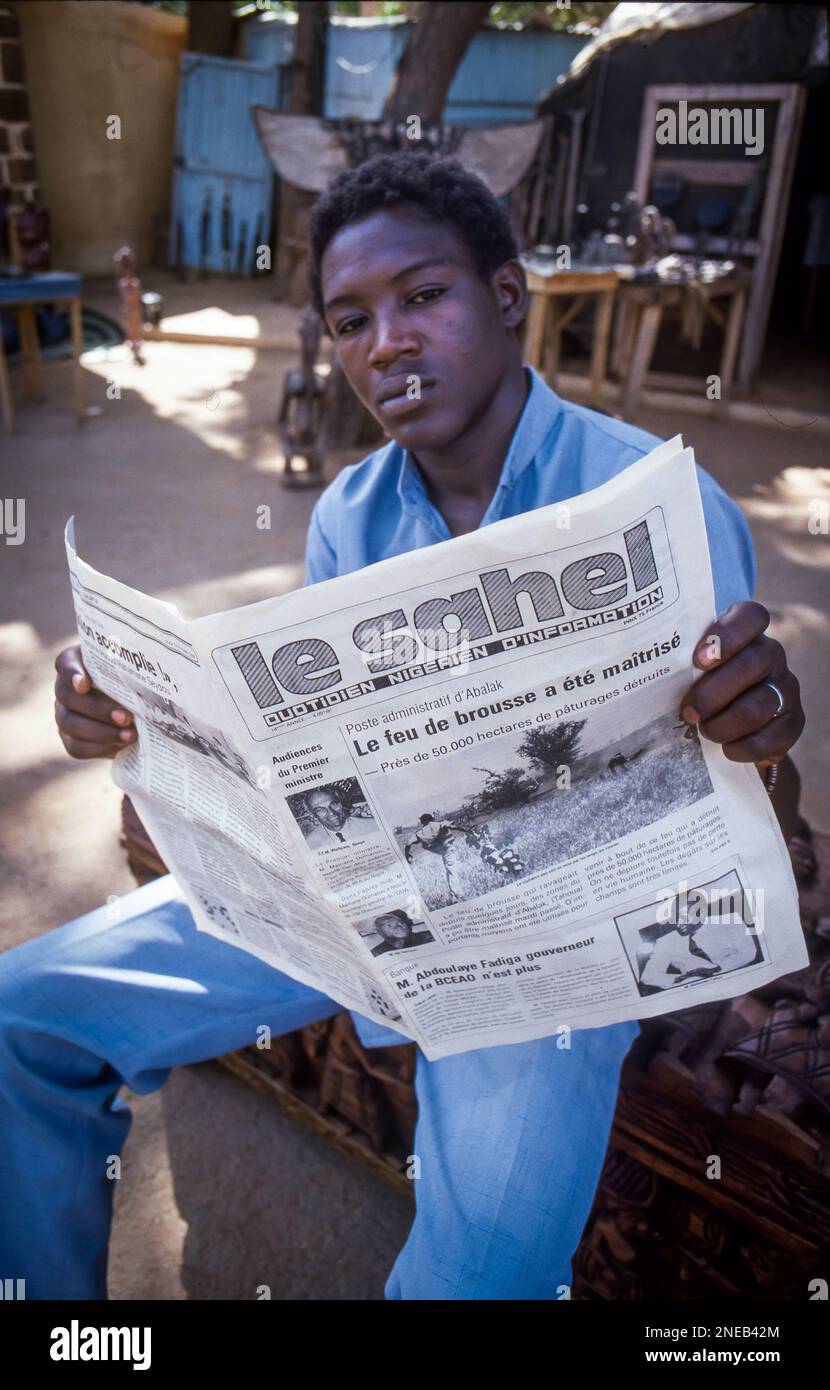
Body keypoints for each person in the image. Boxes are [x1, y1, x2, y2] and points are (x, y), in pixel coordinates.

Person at [3, 153, 805, 1301]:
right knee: (21, 1019)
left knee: (479, 1267)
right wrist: (127, 721)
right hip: (345, 905)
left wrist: (758, 734)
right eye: (349, 319)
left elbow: (729, 806)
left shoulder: (655, 501)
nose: (384, 341)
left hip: (549, 951)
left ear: (506, 296)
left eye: (422, 296)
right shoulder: (350, 510)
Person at [404, 813, 467, 904]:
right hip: (448, 848)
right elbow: (453, 826)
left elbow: (408, 843)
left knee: (449, 869)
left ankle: (454, 895)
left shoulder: (419, 833)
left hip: (440, 851)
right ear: (432, 819)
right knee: (451, 869)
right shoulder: (439, 824)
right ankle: (457, 895)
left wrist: (407, 854)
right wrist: (465, 829)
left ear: (422, 821)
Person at [301, 785, 374, 848]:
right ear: (314, 815)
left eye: (334, 804)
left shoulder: (371, 825)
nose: (331, 813)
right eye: (320, 810)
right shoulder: (310, 844)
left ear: (340, 803)